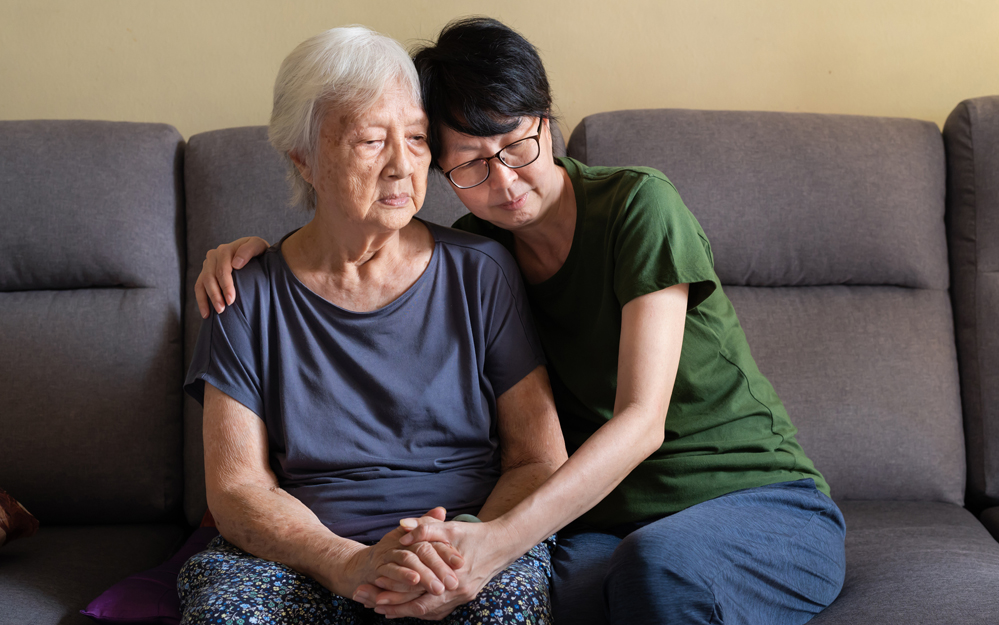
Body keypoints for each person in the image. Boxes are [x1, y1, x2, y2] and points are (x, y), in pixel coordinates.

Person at [197, 18, 847, 625]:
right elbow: (361, 245)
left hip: (746, 497)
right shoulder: (485, 248)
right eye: (472, 163)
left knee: (654, 575)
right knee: (559, 595)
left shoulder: (631, 210)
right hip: (602, 518)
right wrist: (252, 258)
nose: (505, 181)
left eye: (518, 143)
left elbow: (640, 421)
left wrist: (490, 542)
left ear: (547, 121)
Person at [180, 25, 569, 625]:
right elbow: (236, 492)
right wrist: (346, 562)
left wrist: (456, 548)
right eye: (368, 141)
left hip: (466, 545)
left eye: (416, 139)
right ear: (303, 159)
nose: (400, 166)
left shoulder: (481, 272)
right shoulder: (243, 292)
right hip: (306, 555)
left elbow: (538, 459)